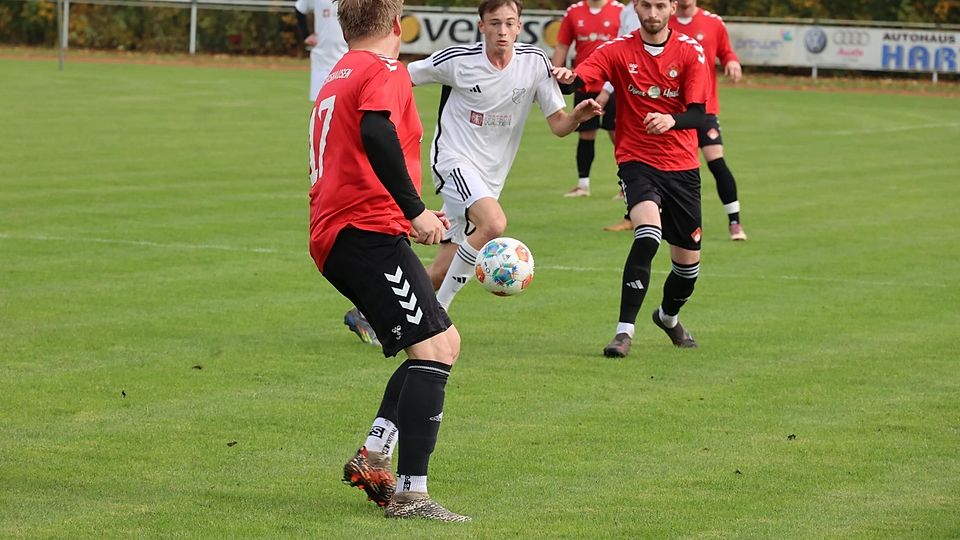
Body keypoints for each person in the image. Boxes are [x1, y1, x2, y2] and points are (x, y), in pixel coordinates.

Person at [343, 0, 602, 345]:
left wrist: (577, 117)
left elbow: (558, 125)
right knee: (493, 224)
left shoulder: (535, 64)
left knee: (443, 269)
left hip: (490, 176)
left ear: (520, 26)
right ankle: (438, 315)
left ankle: (367, 311)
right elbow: (399, 76)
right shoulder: (458, 61)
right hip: (453, 160)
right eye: (495, 23)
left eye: (510, 23)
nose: (503, 31)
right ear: (481, 26)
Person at [308, 0, 469, 522]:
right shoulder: (385, 69)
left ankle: (376, 453)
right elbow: (377, 134)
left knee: (440, 344)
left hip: (355, 230)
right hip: (364, 234)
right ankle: (409, 494)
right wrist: (415, 210)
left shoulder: (341, 70)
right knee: (435, 350)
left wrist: (414, 215)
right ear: (397, 25)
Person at [553, 0, 709, 357]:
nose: (652, 13)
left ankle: (668, 318)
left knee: (687, 270)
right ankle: (624, 333)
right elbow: (581, 78)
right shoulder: (617, 50)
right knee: (648, 235)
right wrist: (565, 78)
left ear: (671, 8)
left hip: (683, 168)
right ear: (636, 8)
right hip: (637, 160)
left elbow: (700, 115)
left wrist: (672, 120)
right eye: (646, 5)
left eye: (659, 5)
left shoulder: (690, 51)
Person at [602, 0, 747, 240]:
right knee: (648, 167)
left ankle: (735, 222)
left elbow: (726, 50)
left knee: (716, 162)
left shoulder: (713, 22)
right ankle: (639, 219)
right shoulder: (659, 21)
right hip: (660, 112)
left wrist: (731, 60)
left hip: (701, 110)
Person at [551, 0, 625, 198]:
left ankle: (626, 185)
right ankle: (583, 185)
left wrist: (608, 89)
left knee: (618, 135)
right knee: (585, 134)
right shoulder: (574, 12)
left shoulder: (620, 11)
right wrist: (551, 80)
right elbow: (562, 46)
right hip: (583, 82)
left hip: (616, 85)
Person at [295, 0, 348, 102]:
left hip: (346, 59)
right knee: (320, 106)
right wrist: (306, 35)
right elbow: (299, 8)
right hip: (321, 60)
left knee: (344, 104)